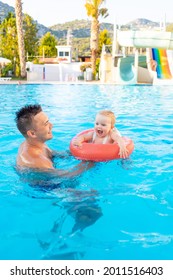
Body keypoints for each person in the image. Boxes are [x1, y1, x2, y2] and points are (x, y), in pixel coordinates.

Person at [15, 104, 92, 177]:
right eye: (46, 124)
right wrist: (88, 163)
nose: (51, 125)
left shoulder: (36, 142)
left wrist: (82, 151)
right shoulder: (38, 162)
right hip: (43, 187)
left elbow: (53, 154)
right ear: (32, 133)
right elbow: (66, 177)